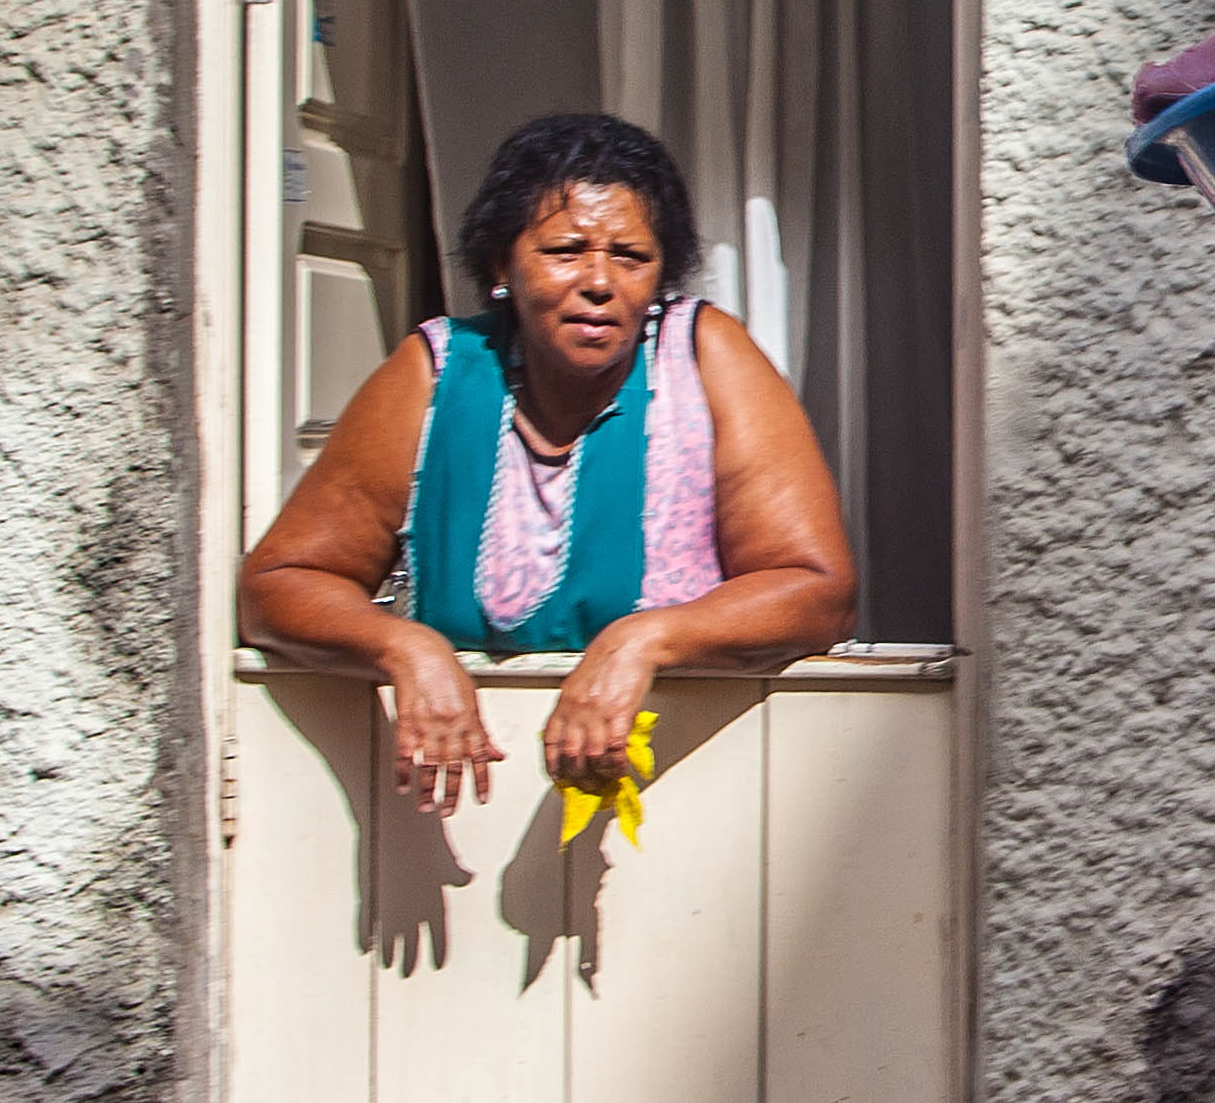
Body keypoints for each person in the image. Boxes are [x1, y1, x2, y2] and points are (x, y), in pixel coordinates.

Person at [241, 109, 855, 806]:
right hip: (455, 808)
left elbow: (815, 590)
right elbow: (279, 585)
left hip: (693, 800)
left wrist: (642, 641)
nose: (599, 280)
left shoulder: (704, 357)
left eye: (631, 256)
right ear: (502, 262)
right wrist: (403, 648)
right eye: (565, 250)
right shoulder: (437, 373)